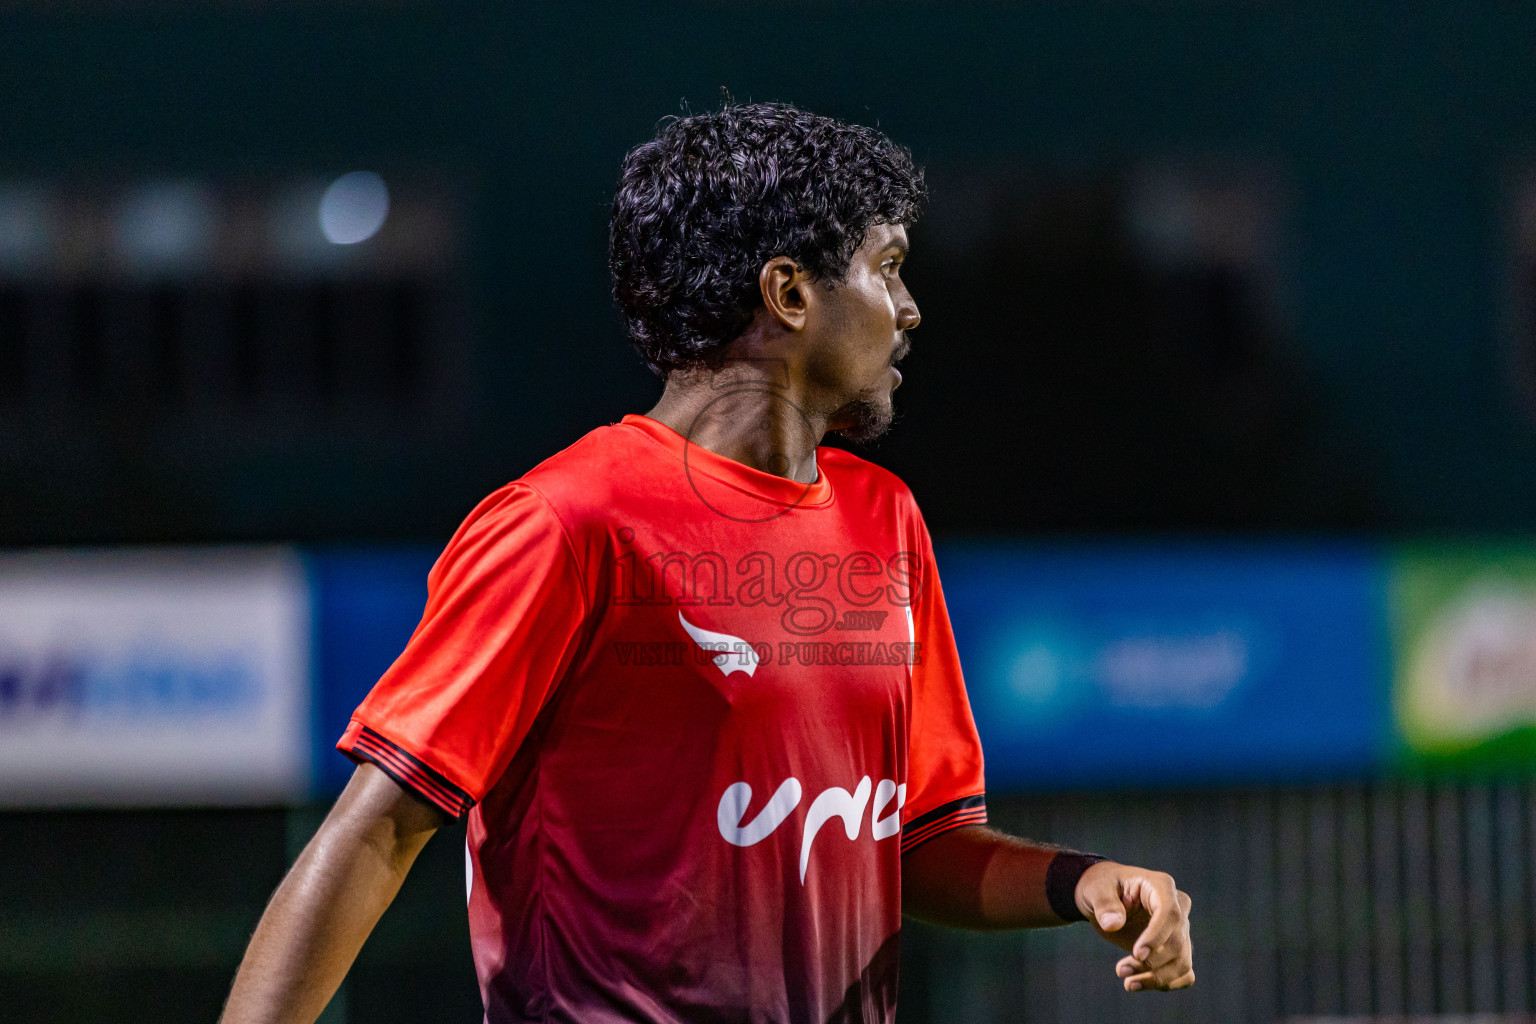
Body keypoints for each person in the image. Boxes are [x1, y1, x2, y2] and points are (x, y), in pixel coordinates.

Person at [220, 102, 1193, 1024]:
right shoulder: (567, 521)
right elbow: (376, 831)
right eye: (888, 267)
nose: (910, 309)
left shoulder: (884, 518)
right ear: (789, 293)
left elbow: (918, 843)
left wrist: (1084, 881)